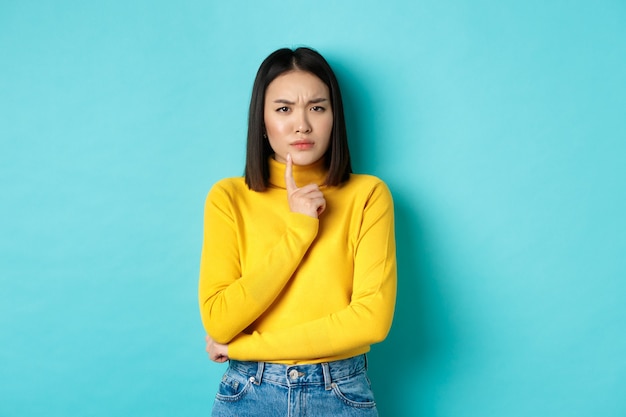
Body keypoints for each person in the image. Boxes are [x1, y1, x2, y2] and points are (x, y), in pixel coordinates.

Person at [198, 46, 397, 417]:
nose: (301, 124)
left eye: (317, 108)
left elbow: (372, 320)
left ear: (334, 117)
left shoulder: (368, 195)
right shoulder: (229, 197)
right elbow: (219, 319)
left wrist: (246, 347)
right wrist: (300, 229)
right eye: (284, 109)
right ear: (261, 120)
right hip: (249, 393)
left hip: (339, 393)